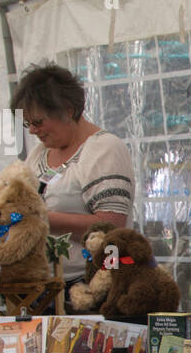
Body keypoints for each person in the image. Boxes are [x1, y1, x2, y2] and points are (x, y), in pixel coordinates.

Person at [13, 63, 135, 284]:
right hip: (44, 285)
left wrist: (41, 219)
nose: (31, 130)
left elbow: (112, 226)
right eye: (27, 123)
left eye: (38, 122)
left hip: (92, 285)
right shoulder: (39, 153)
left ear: (67, 110)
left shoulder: (104, 149)